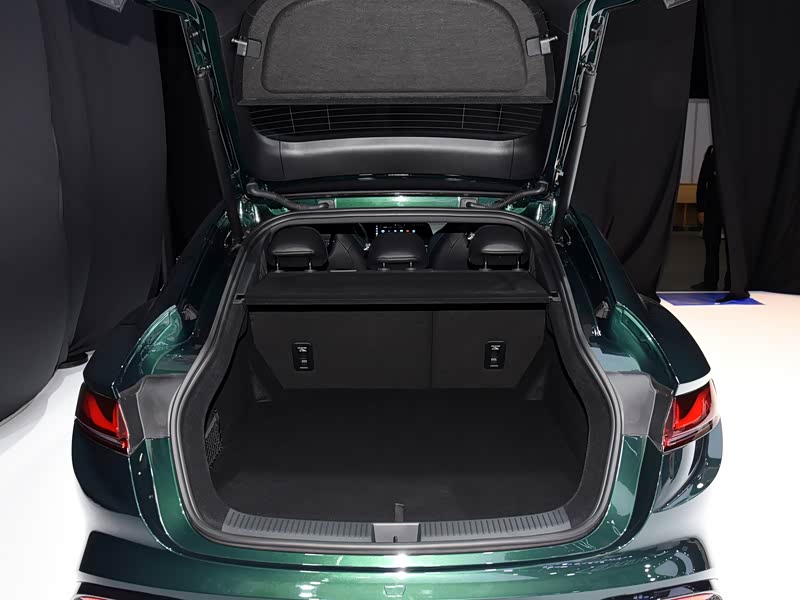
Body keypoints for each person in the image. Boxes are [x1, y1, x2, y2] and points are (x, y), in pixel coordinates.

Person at [692, 145, 730, 291]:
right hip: (712, 207)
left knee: (732, 249)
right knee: (711, 246)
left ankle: (732, 282)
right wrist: (701, 208)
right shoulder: (712, 150)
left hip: (731, 207)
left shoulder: (738, 150)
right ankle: (710, 282)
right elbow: (702, 181)